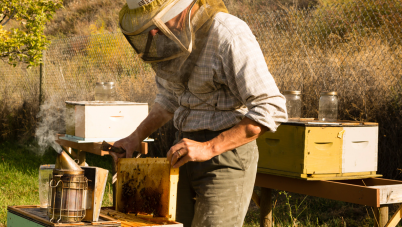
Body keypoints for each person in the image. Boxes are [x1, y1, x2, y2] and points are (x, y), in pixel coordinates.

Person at [111, 0, 288, 226]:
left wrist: (209, 147)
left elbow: (270, 108)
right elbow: (169, 99)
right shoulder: (168, 38)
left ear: (180, 8)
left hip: (225, 155)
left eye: (157, 20)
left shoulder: (229, 34)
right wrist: (136, 137)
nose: (153, 31)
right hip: (181, 151)